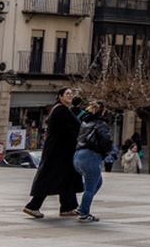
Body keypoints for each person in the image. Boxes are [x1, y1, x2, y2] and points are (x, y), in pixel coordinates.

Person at [24, 87, 82, 219]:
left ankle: (68, 207)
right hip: (57, 153)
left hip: (62, 152)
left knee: (66, 178)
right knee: (49, 178)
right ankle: (33, 206)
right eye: (67, 94)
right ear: (60, 96)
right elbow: (74, 127)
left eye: (71, 94)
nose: (70, 96)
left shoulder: (62, 110)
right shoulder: (60, 110)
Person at [73, 100, 113, 223]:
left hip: (78, 156)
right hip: (91, 156)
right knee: (90, 188)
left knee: (98, 182)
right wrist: (107, 152)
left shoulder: (85, 122)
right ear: (103, 110)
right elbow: (106, 141)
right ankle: (84, 213)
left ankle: (82, 207)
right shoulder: (101, 124)